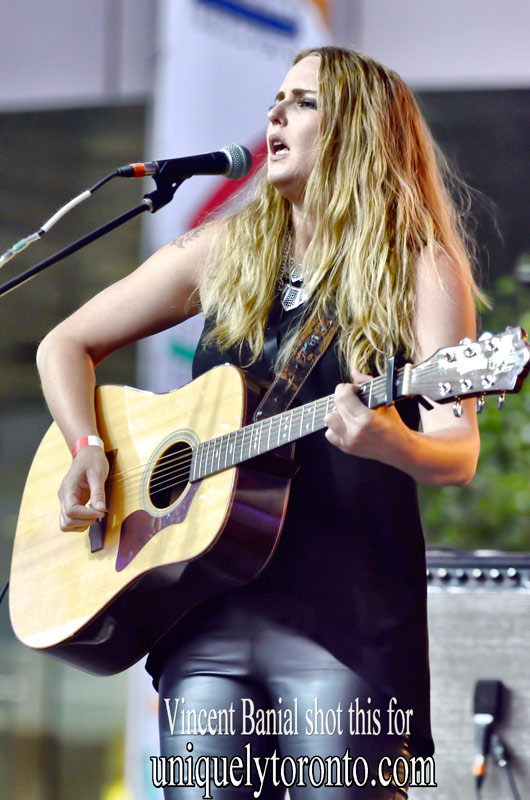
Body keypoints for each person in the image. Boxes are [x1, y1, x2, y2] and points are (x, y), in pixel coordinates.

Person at [36, 47, 482, 798]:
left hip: (346, 626)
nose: (274, 113)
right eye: (276, 98)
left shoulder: (419, 268)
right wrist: (87, 447)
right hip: (204, 616)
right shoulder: (224, 250)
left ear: (357, 130)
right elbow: (64, 344)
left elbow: (456, 447)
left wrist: (391, 440)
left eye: (303, 102)